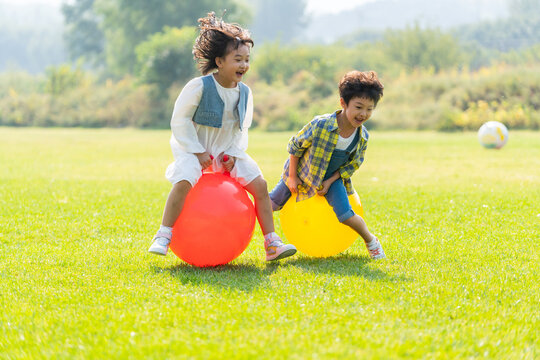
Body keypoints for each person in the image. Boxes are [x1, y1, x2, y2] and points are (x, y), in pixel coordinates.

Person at [148, 13, 297, 261]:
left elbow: (241, 129)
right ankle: (164, 234)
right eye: (237, 59)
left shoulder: (245, 93)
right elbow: (180, 120)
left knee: (259, 185)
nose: (244, 65)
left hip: (226, 151)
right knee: (185, 180)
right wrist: (197, 151)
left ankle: (271, 242)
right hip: (193, 149)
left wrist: (232, 156)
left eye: (247, 60)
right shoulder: (199, 87)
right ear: (219, 61)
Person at [269, 70, 386, 259]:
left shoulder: (362, 137)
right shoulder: (320, 125)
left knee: (346, 215)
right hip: (302, 173)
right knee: (270, 204)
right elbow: (295, 147)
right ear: (343, 103)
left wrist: (331, 181)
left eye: (369, 109)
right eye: (358, 107)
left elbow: (353, 164)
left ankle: (371, 240)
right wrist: (292, 176)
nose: (363, 114)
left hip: (331, 179)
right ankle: (272, 244)